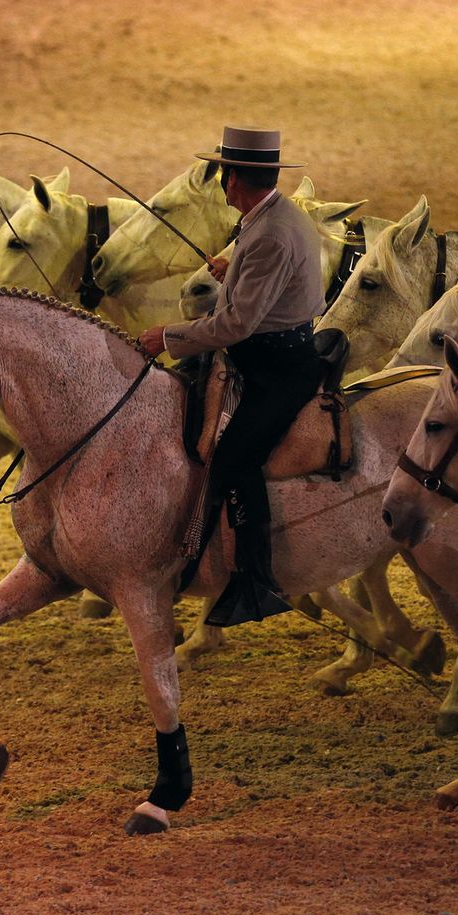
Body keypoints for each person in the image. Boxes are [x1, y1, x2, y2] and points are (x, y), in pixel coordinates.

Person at [139, 127, 324, 627]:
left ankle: (256, 579)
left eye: (224, 173)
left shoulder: (268, 234)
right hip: (270, 349)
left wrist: (168, 338)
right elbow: (263, 280)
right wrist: (233, 266)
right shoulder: (272, 218)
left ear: (233, 178)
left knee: (236, 457)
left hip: (275, 367)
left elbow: (236, 324)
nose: (222, 182)